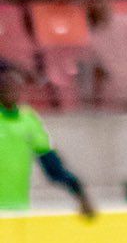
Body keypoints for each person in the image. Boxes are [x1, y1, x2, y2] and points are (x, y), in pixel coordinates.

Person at [0, 61, 94, 214]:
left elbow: (52, 165)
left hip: (18, 211)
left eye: (14, 84)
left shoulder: (28, 119)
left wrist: (79, 193)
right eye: (5, 84)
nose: (10, 87)